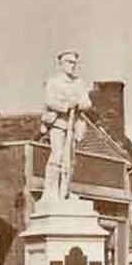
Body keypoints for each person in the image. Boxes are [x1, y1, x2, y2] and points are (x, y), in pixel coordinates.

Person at [40, 50, 93, 201]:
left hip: (74, 123)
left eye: (74, 63)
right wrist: (65, 106)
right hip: (58, 122)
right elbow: (49, 101)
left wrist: (79, 104)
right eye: (69, 62)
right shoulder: (54, 81)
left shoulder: (79, 83)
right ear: (61, 64)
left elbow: (87, 102)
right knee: (57, 156)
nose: (72, 65)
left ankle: (66, 190)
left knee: (70, 159)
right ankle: (51, 191)